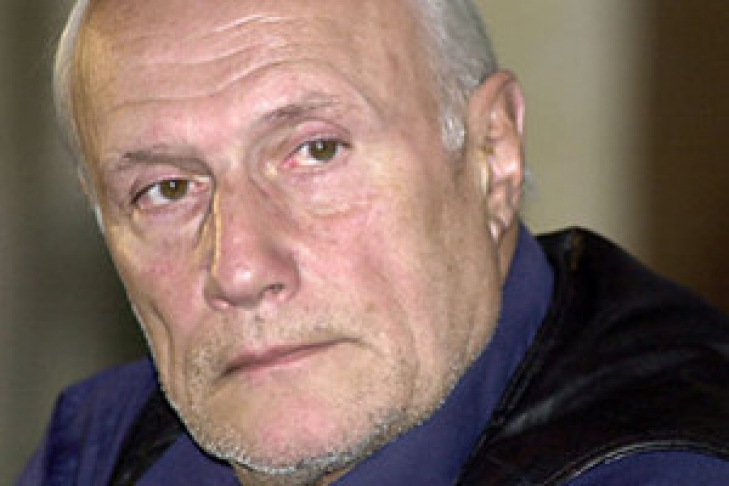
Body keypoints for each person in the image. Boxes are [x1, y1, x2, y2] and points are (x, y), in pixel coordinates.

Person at [17, 0, 729, 484]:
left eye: (316, 150)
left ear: (492, 152)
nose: (239, 268)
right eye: (167, 189)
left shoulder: (676, 462)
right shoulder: (102, 448)